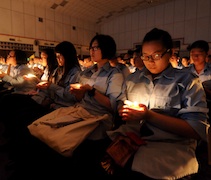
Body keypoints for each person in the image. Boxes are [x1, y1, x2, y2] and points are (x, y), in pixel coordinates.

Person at [4, 34, 124, 179]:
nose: (91, 51)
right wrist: (79, 92)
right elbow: (77, 98)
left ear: (106, 48)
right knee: (38, 128)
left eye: (95, 47)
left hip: (98, 116)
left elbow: (112, 106)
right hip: (78, 110)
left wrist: (90, 91)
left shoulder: (114, 74)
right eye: (91, 48)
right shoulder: (87, 72)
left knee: (56, 141)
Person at [100, 28, 209, 179]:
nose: (150, 61)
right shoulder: (133, 79)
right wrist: (123, 110)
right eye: (145, 56)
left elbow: (197, 130)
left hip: (169, 145)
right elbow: (121, 103)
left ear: (170, 53)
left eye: (156, 55)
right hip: (132, 138)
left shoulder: (187, 81)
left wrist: (149, 115)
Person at [187, 40, 211, 122]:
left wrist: (204, 90)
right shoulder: (185, 72)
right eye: (193, 54)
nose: (195, 56)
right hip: (190, 110)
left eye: (199, 53)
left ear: (207, 53)